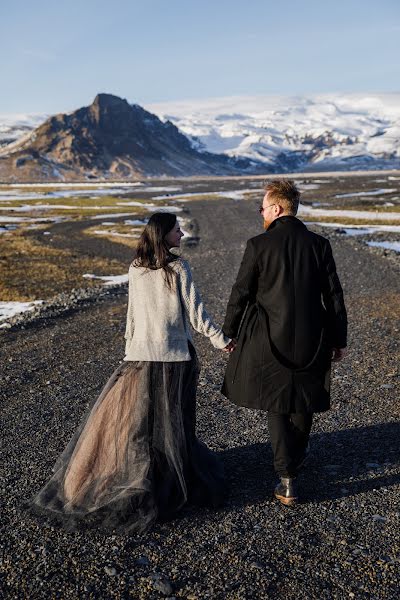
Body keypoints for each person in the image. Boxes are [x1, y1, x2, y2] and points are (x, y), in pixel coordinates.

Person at [32, 212, 234, 533]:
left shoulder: (136, 268)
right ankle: (169, 480)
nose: (182, 234)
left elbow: (131, 317)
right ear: (163, 235)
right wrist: (221, 340)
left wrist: (130, 350)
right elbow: (197, 314)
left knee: (141, 421)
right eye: (176, 230)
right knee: (173, 422)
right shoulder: (179, 268)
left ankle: (144, 474)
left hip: (138, 358)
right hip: (173, 359)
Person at [221, 179, 347, 506]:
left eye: (262, 207)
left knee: (277, 403)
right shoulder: (319, 245)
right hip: (313, 336)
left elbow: (241, 294)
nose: (260, 213)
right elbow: (334, 296)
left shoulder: (258, 245)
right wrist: (339, 338)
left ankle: (287, 477)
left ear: (276, 209)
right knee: (304, 401)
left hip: (268, 338)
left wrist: (228, 332)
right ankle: (296, 460)